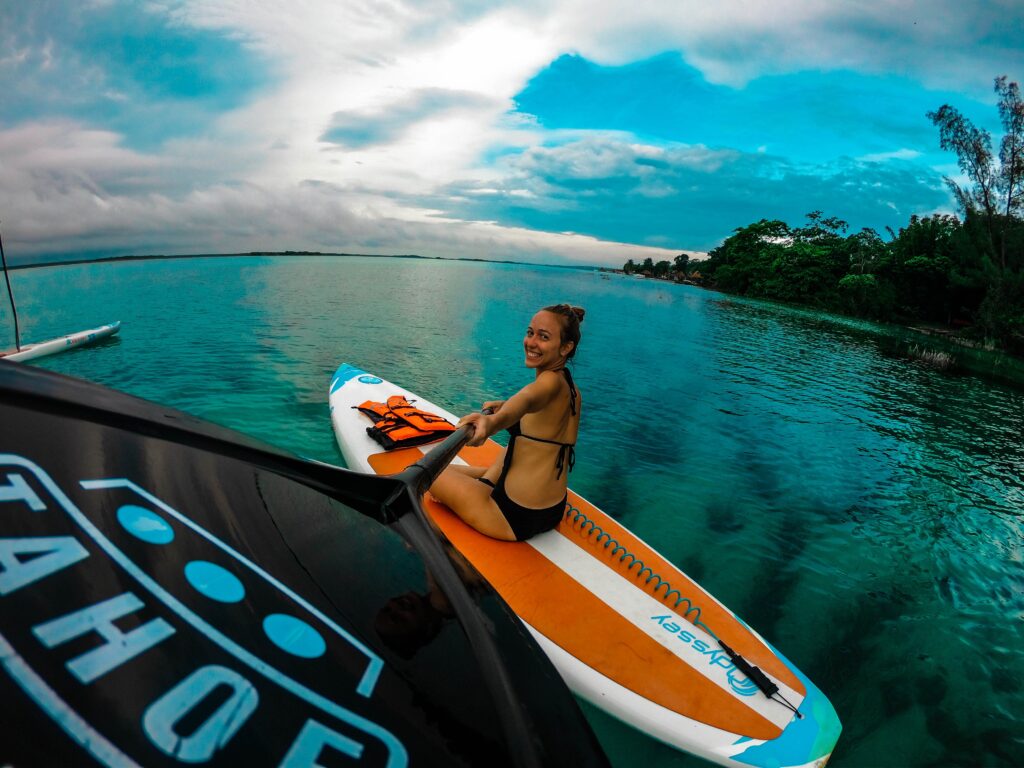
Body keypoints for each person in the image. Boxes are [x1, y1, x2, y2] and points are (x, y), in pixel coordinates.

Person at [429, 304, 584, 541]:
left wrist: (492, 423)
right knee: (501, 451)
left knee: (429, 474)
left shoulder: (548, 383)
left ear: (566, 347)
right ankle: (486, 478)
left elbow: (526, 399)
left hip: (513, 515)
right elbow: (535, 415)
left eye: (543, 337)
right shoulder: (571, 389)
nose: (531, 342)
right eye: (530, 332)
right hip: (552, 509)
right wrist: (504, 408)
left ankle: (483, 481)